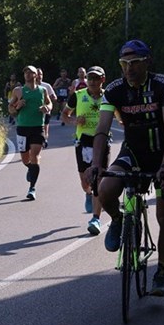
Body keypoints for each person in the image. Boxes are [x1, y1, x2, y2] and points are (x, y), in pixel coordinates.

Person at [88, 40, 164, 297]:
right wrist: (96, 164)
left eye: (134, 63)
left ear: (147, 62)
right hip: (133, 153)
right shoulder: (115, 90)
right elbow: (102, 129)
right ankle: (119, 220)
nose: (129, 68)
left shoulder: (163, 85)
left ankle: (161, 272)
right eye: (124, 64)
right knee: (105, 188)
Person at [62, 66, 109, 234]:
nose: (93, 82)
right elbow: (65, 115)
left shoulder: (108, 96)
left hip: (102, 141)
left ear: (103, 79)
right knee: (85, 180)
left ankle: (95, 218)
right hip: (83, 142)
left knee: (99, 180)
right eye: (90, 79)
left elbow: (120, 116)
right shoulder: (78, 96)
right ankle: (88, 193)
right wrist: (75, 121)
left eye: (96, 78)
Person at [9, 65, 52, 200]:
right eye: (25, 72)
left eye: (30, 72)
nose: (27, 74)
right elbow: (10, 108)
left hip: (37, 128)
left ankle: (32, 188)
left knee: (35, 155)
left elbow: (50, 104)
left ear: (35, 75)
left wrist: (47, 108)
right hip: (23, 128)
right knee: (25, 159)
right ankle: (30, 168)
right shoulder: (18, 91)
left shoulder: (42, 90)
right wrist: (17, 106)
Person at [36, 68, 58, 146]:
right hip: (35, 111)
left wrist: (48, 98)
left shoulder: (46, 86)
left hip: (46, 110)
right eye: (38, 74)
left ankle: (45, 139)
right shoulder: (30, 86)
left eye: (41, 74)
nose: (40, 76)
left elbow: (54, 97)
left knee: (45, 126)